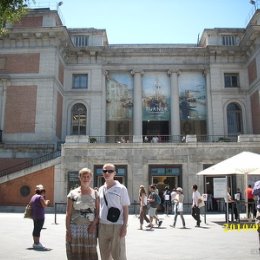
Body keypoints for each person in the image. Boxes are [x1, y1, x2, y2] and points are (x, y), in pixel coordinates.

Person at [66, 167, 99, 260]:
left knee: (90, 255)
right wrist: (68, 231)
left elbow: (97, 213)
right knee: (75, 254)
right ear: (79, 178)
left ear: (91, 178)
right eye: (83, 176)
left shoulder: (95, 193)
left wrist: (93, 225)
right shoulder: (73, 193)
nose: (86, 179)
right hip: (75, 228)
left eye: (88, 176)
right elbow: (68, 213)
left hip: (90, 229)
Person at [98, 163, 130, 260]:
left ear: (114, 173)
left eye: (110, 171)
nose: (107, 173)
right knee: (104, 255)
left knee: (119, 255)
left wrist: (124, 226)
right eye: (104, 171)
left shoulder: (121, 188)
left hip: (117, 226)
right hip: (102, 226)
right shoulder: (100, 189)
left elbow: (125, 208)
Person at [29, 184, 50, 249]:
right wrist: (47, 202)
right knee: (38, 229)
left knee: (35, 229)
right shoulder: (40, 197)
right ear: (42, 192)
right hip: (40, 216)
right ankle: (37, 243)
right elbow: (44, 205)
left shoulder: (33, 196)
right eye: (44, 192)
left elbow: (30, 204)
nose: (44, 193)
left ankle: (35, 242)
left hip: (34, 215)